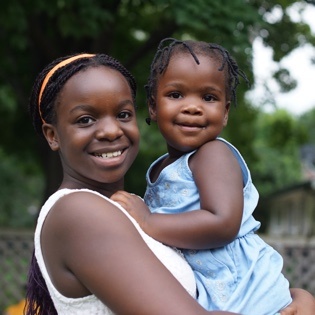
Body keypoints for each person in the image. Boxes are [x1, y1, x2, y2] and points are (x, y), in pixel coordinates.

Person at [24, 52, 242, 315]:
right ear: (52, 135)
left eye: (123, 114)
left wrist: (286, 298)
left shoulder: (136, 210)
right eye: (86, 120)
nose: (111, 131)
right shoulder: (79, 212)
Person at [111, 38, 315, 315]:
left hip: (246, 292)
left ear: (226, 111)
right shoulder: (161, 168)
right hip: (212, 292)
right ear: (153, 107)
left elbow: (222, 223)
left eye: (208, 97)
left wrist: (147, 220)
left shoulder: (212, 155)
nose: (193, 107)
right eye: (176, 95)